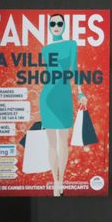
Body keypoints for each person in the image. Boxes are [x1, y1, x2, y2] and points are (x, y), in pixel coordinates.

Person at [39, 14, 87, 197]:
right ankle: (55, 182)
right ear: (50, 27)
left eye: (59, 23)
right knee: (51, 142)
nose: (56, 26)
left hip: (64, 94)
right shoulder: (45, 49)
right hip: (48, 96)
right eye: (53, 24)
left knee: (63, 141)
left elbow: (74, 69)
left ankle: (61, 180)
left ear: (64, 26)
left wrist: (80, 92)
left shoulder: (71, 45)